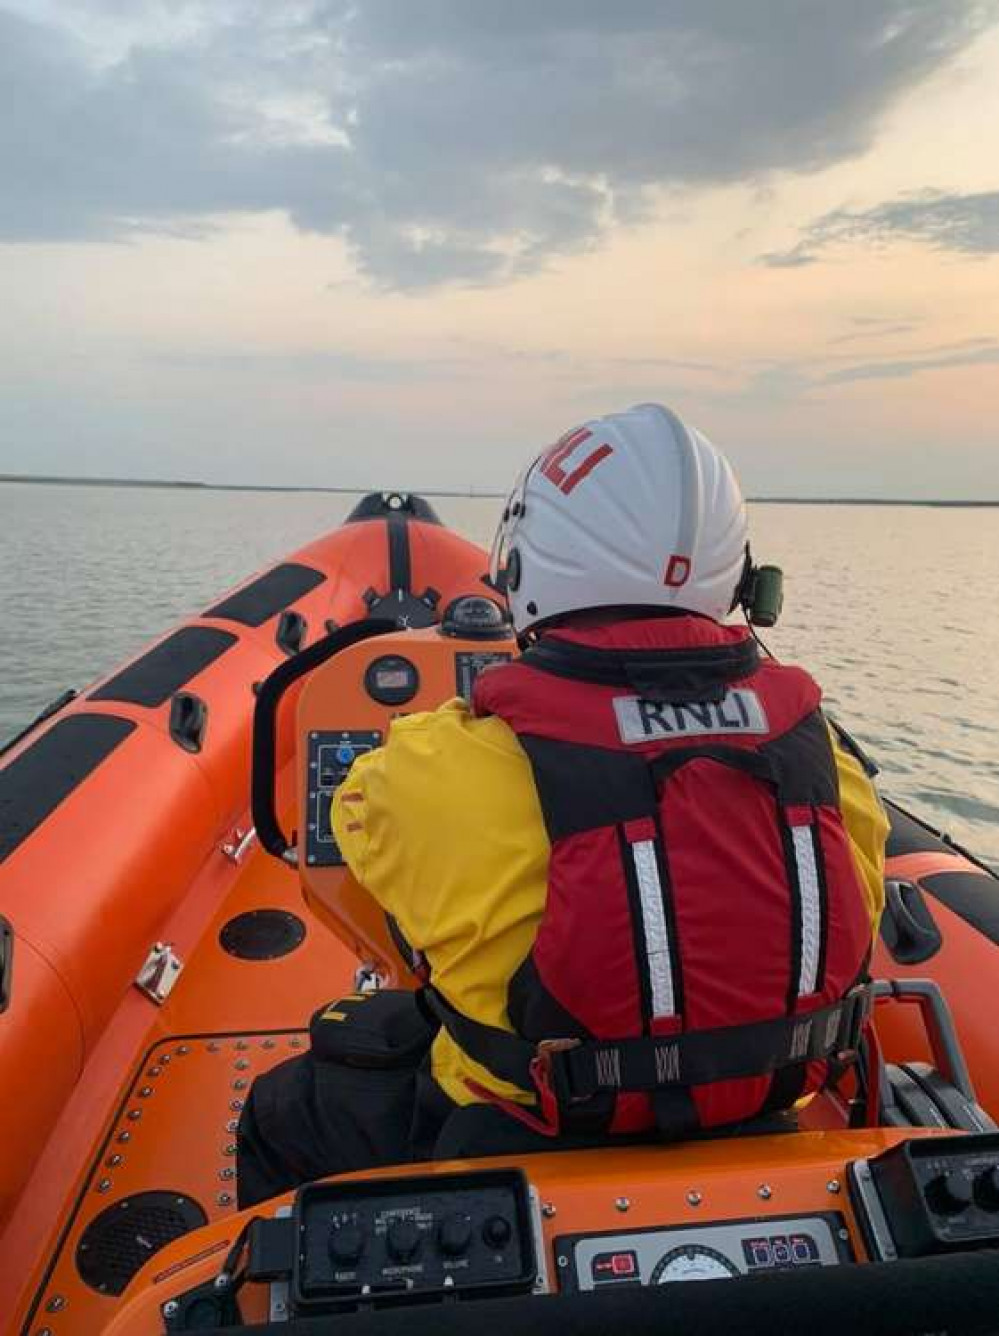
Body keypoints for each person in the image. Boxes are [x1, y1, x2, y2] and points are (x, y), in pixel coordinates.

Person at [237, 402, 887, 1205]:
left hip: (519, 1123)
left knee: (278, 1112)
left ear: (528, 563)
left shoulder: (431, 765)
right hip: (765, 1112)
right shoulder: (824, 757)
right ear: (739, 575)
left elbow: (361, 846)